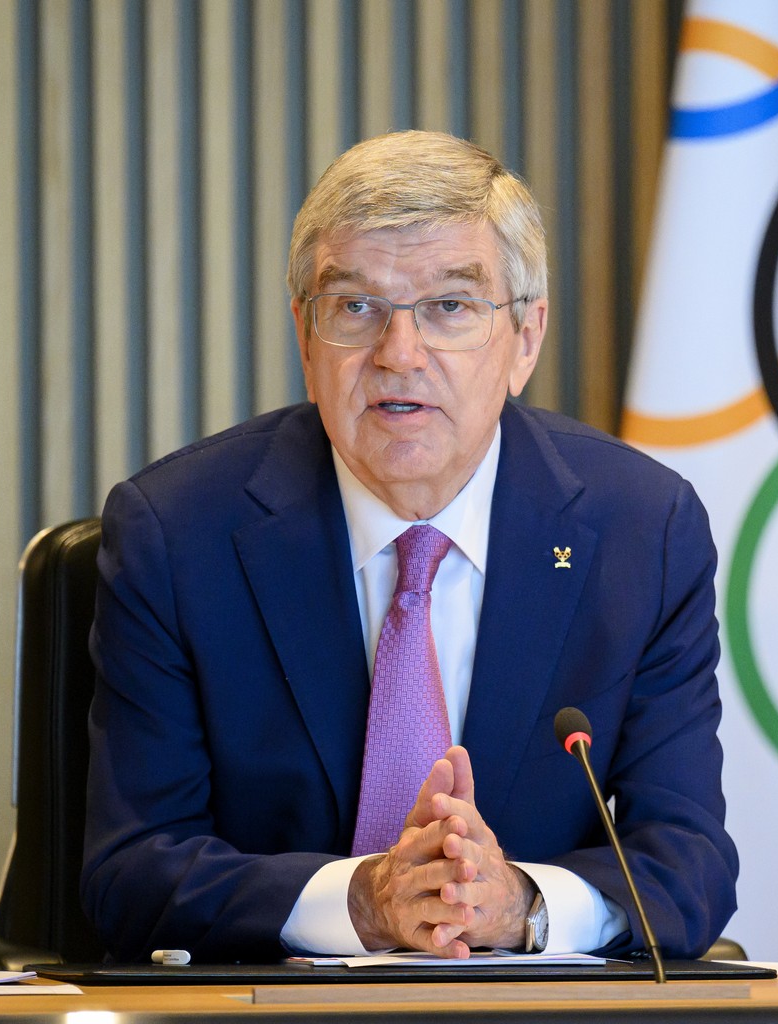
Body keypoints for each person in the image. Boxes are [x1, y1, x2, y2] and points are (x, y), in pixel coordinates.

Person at [80, 130, 738, 964]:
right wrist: (360, 902)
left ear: (525, 338)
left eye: (450, 308)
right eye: (355, 307)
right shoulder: (178, 534)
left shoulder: (642, 531)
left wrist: (522, 908)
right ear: (304, 335)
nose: (399, 355)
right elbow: (130, 871)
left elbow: (689, 865)